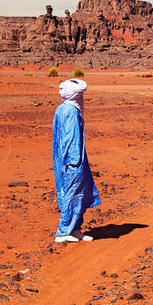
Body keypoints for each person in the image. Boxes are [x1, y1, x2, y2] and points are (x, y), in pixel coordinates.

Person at [52, 78, 101, 242]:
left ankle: (74, 229)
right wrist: (74, 162)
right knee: (73, 192)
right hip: (72, 160)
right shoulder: (71, 112)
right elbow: (70, 138)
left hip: (68, 158)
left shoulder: (62, 108)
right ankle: (63, 231)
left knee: (77, 192)